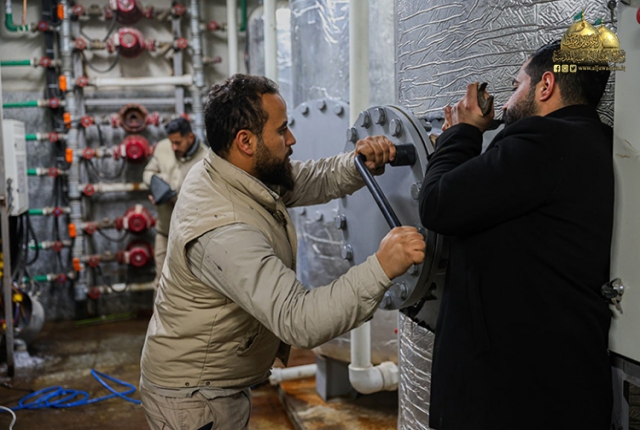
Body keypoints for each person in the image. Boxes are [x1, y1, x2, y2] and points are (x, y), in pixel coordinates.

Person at [139, 74, 426, 430]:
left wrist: (357, 164)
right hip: (193, 401)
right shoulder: (222, 230)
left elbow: (307, 179)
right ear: (246, 141)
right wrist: (381, 268)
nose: (291, 139)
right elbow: (299, 319)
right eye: (282, 129)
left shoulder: (228, 170)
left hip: (215, 385)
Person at [418, 40, 614, 430]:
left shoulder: (544, 142)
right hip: (560, 388)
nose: (508, 102)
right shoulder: (597, 142)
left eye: (516, 86)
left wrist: (461, 134)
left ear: (546, 85)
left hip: (510, 398)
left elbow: (438, 204)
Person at [142, 117, 207, 288]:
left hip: (193, 238)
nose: (174, 147)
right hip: (165, 231)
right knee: (161, 283)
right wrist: (157, 187)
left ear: (190, 137)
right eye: (171, 142)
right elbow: (148, 172)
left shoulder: (206, 160)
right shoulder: (163, 148)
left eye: (178, 142)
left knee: (194, 287)